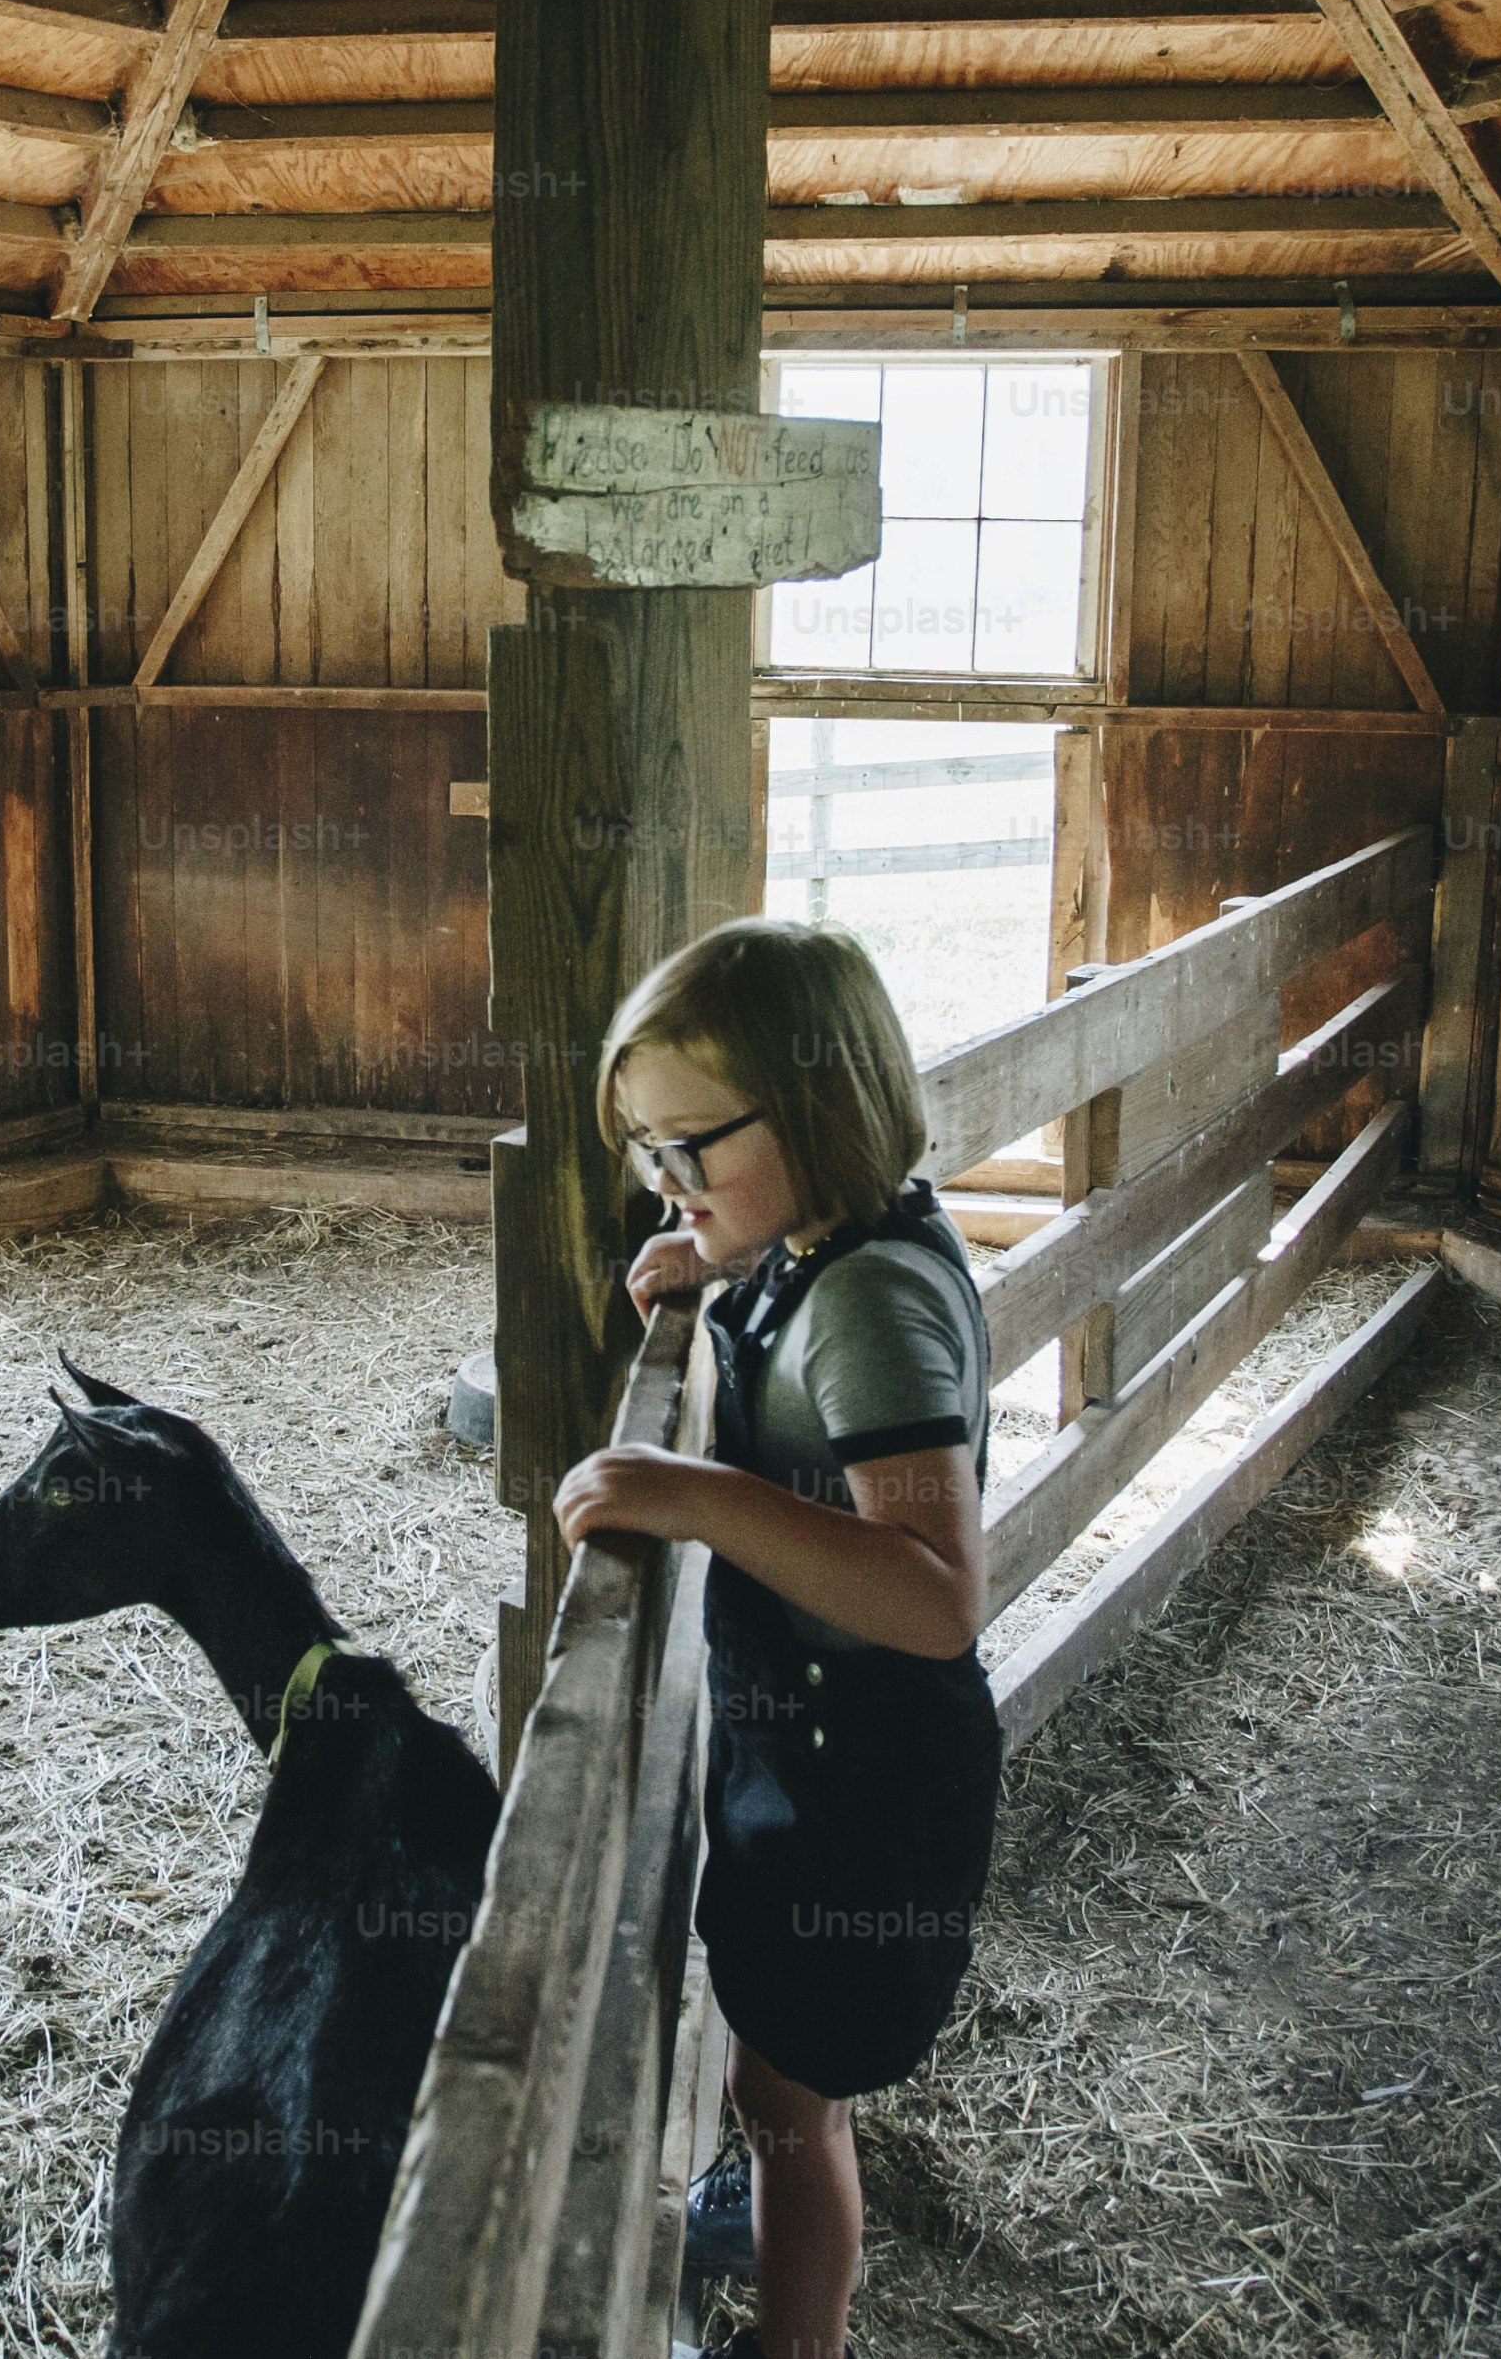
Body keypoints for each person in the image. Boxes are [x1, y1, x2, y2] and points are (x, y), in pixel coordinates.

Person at [551, 918, 1000, 2359]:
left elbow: (938, 1592)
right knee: (780, 2084)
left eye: (692, 1147)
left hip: (864, 1777)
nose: (666, 1182)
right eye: (649, 1151)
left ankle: (801, 2340)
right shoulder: (818, 1245)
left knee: (789, 2102)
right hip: (808, 1747)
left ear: (813, 1108)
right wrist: (715, 1267)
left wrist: (695, 1495)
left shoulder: (868, 1299)